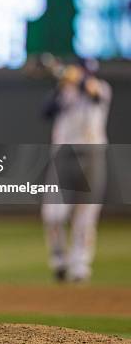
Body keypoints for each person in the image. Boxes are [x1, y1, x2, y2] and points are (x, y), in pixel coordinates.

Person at [41, 59, 112, 282]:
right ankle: (60, 261)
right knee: (53, 214)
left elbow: (90, 89)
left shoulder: (101, 87)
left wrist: (58, 69)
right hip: (63, 156)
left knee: (86, 213)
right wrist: (59, 82)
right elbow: (45, 112)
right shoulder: (64, 91)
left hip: (92, 155)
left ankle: (80, 266)